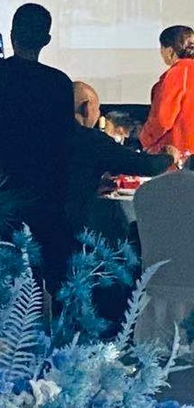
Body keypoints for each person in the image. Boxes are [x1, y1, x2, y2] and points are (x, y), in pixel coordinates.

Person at [0, 3, 75, 292]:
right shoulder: (58, 83)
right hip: (47, 191)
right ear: (46, 40)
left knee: (3, 274)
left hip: (2, 189)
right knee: (50, 274)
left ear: (11, 35)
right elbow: (67, 139)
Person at [67, 81, 175, 326]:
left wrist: (92, 183)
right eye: (97, 109)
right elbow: (143, 165)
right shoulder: (89, 139)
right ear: (86, 107)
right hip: (80, 230)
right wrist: (169, 157)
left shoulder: (49, 137)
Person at [138, 25, 194, 158]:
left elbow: (163, 120)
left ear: (169, 50)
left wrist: (144, 139)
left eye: (161, 48)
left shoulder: (178, 73)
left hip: (178, 154)